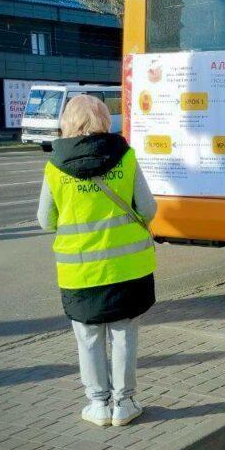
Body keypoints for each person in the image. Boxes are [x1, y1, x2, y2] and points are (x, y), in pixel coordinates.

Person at [36, 94, 157, 427]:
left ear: (68, 123)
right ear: (105, 121)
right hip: (126, 268)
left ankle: (98, 405)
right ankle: (125, 403)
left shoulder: (55, 167)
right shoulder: (126, 157)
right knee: (124, 334)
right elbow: (147, 209)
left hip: (80, 271)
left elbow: (45, 220)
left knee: (88, 337)